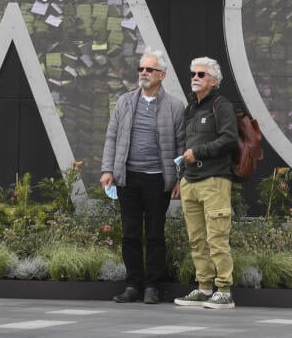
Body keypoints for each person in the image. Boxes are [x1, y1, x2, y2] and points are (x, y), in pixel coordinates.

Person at [100, 49, 185, 304]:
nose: (144, 73)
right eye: (141, 69)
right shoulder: (125, 101)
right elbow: (111, 136)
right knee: (130, 234)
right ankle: (133, 285)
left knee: (156, 234)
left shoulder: (175, 106)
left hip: (158, 179)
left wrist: (180, 178)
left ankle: (152, 286)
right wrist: (107, 170)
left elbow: (181, 145)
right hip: (128, 178)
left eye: (149, 69)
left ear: (162, 75)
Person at [173, 56, 238, 309]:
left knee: (217, 237)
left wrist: (198, 153)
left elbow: (229, 139)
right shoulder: (191, 108)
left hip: (214, 180)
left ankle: (224, 290)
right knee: (196, 239)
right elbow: (185, 146)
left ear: (213, 80)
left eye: (201, 75)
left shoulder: (221, 105)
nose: (195, 79)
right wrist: (181, 179)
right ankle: (204, 287)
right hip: (191, 180)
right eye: (193, 74)